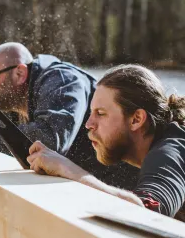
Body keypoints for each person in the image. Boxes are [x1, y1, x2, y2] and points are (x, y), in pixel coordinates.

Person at [0, 43, 138, 189]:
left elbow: (49, 140)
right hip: (95, 187)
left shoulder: (62, 80)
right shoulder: (18, 96)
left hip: (135, 193)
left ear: (19, 73)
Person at [27, 65, 185, 222]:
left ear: (136, 119)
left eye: (100, 113)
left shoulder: (169, 152)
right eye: (91, 113)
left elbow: (145, 215)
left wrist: (67, 169)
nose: (88, 124)